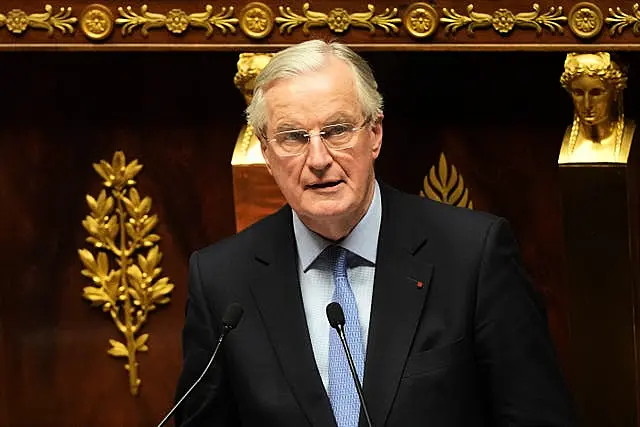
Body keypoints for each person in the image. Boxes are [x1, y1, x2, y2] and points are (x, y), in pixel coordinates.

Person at [174, 40, 575, 426]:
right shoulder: (222, 281)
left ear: (375, 134)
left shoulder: (473, 255)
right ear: (266, 152)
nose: (318, 160)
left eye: (337, 130)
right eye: (294, 137)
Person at [559, 52, 635, 164]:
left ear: (615, 93)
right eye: (578, 93)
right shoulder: (563, 140)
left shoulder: (631, 135)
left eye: (596, 93)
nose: (587, 104)